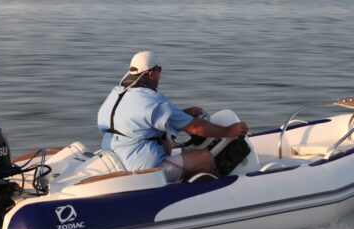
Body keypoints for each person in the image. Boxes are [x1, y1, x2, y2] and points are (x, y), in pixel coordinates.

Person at [98, 51, 248, 182]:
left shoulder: (116, 93)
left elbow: (137, 122)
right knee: (205, 158)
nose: (160, 75)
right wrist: (229, 131)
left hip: (116, 160)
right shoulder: (152, 101)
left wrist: (181, 115)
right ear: (151, 74)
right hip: (143, 169)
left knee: (170, 145)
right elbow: (196, 128)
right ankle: (186, 194)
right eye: (159, 70)